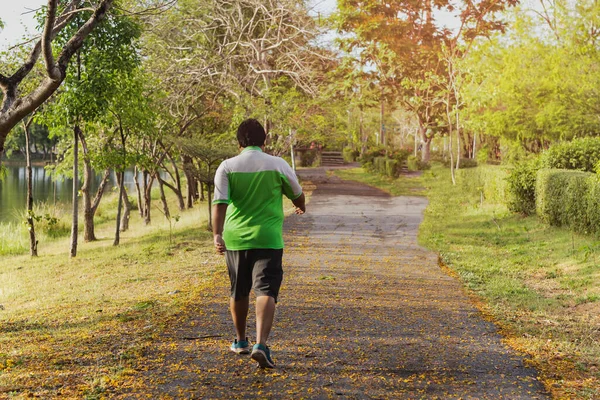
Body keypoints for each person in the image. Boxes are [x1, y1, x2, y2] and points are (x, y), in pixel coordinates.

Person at [212, 118, 306, 369]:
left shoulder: (227, 166)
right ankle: (261, 344)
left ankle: (241, 341)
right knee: (265, 289)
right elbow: (297, 193)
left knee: (239, 289)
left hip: (235, 239)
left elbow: (219, 203)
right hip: (268, 238)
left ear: (239, 141)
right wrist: (301, 207)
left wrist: (217, 234)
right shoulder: (277, 164)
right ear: (264, 140)